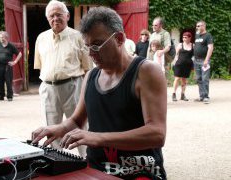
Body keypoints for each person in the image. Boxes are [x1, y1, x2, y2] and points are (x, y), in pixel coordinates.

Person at [32, 7, 167, 179]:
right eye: (87, 46)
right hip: (96, 168)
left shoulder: (146, 72)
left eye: (96, 45)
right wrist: (57, 129)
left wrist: (98, 138)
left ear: (119, 39)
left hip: (139, 169)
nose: (90, 53)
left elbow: (157, 134)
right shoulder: (91, 76)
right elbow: (76, 120)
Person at [34, 0, 91, 156]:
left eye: (59, 14)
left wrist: (88, 93)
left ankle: (86, 160)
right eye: (51, 16)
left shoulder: (78, 37)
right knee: (51, 127)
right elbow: (40, 66)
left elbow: (87, 68)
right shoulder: (41, 38)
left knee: (79, 126)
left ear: (67, 16)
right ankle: (57, 161)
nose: (55, 18)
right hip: (48, 88)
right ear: (47, 19)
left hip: (73, 87)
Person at [0, 31, 22, 101]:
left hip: (7, 66)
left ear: (6, 37)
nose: (0, 39)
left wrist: (15, 62)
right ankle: (1, 96)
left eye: (2, 37)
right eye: (0, 37)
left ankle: (9, 96)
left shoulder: (11, 46)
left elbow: (19, 54)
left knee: (8, 81)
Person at [194, 20, 214, 104]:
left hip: (204, 61)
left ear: (203, 26)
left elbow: (210, 48)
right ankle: (201, 96)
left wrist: (206, 59)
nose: (197, 27)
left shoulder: (208, 35)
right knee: (198, 79)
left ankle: (206, 96)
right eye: (197, 26)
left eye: (199, 26)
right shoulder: (197, 35)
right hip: (196, 60)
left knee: (205, 78)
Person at [172, 32, 194, 101]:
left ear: (190, 38)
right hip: (179, 64)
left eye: (186, 37)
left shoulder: (193, 45)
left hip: (188, 65)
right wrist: (174, 63)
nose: (184, 39)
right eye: (183, 37)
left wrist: (193, 65)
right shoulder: (180, 45)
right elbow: (176, 55)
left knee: (184, 80)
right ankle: (174, 94)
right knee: (177, 79)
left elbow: (195, 56)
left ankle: (183, 94)